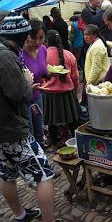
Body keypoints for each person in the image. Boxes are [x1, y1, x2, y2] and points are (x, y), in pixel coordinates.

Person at [0, 12, 54, 222]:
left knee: (7, 173)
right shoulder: (5, 56)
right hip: (13, 129)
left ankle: (21, 215)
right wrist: (27, 83)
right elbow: (18, 94)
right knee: (45, 175)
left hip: (2, 130)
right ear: (23, 37)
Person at [41, 29, 79, 149]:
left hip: (49, 93)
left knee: (52, 120)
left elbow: (40, 76)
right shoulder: (68, 54)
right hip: (67, 92)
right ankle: (77, 140)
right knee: (72, 119)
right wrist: (75, 88)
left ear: (47, 41)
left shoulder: (43, 55)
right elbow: (75, 76)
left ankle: (54, 142)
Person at [21, 19, 49, 147]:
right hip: (24, 100)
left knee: (40, 133)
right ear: (27, 36)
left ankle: (42, 162)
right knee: (30, 135)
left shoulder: (43, 49)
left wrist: (50, 75)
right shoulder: (19, 53)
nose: (37, 42)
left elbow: (43, 72)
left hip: (37, 97)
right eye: (33, 38)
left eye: (41, 38)